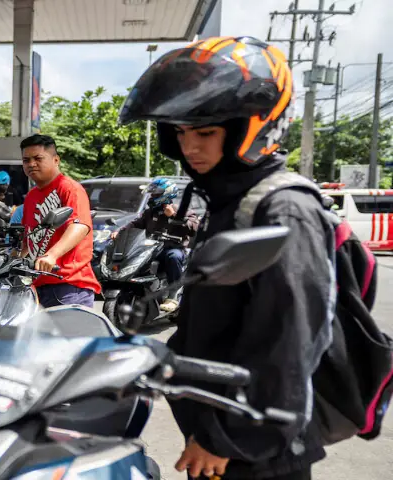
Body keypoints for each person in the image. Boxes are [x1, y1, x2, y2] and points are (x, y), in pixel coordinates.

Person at [118, 36, 334, 480]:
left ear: (253, 128)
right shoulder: (229, 200)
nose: (190, 147)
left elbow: (288, 345)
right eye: (180, 133)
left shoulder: (283, 209)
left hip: (255, 450)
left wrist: (225, 440)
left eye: (205, 132)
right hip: (217, 424)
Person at [20, 134, 101, 308]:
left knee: (66, 335)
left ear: (56, 160)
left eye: (38, 158)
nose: (31, 164)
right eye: (26, 160)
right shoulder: (31, 196)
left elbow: (79, 226)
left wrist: (52, 255)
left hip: (68, 284)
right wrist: (15, 258)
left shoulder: (69, 188)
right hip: (36, 285)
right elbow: (29, 235)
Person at [111, 178, 199, 312]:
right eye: (152, 194)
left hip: (173, 248)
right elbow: (135, 224)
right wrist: (119, 232)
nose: (152, 197)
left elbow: (194, 228)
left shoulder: (182, 209)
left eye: (156, 194)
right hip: (152, 248)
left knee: (173, 256)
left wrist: (174, 216)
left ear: (167, 194)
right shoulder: (149, 212)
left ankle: (173, 296)